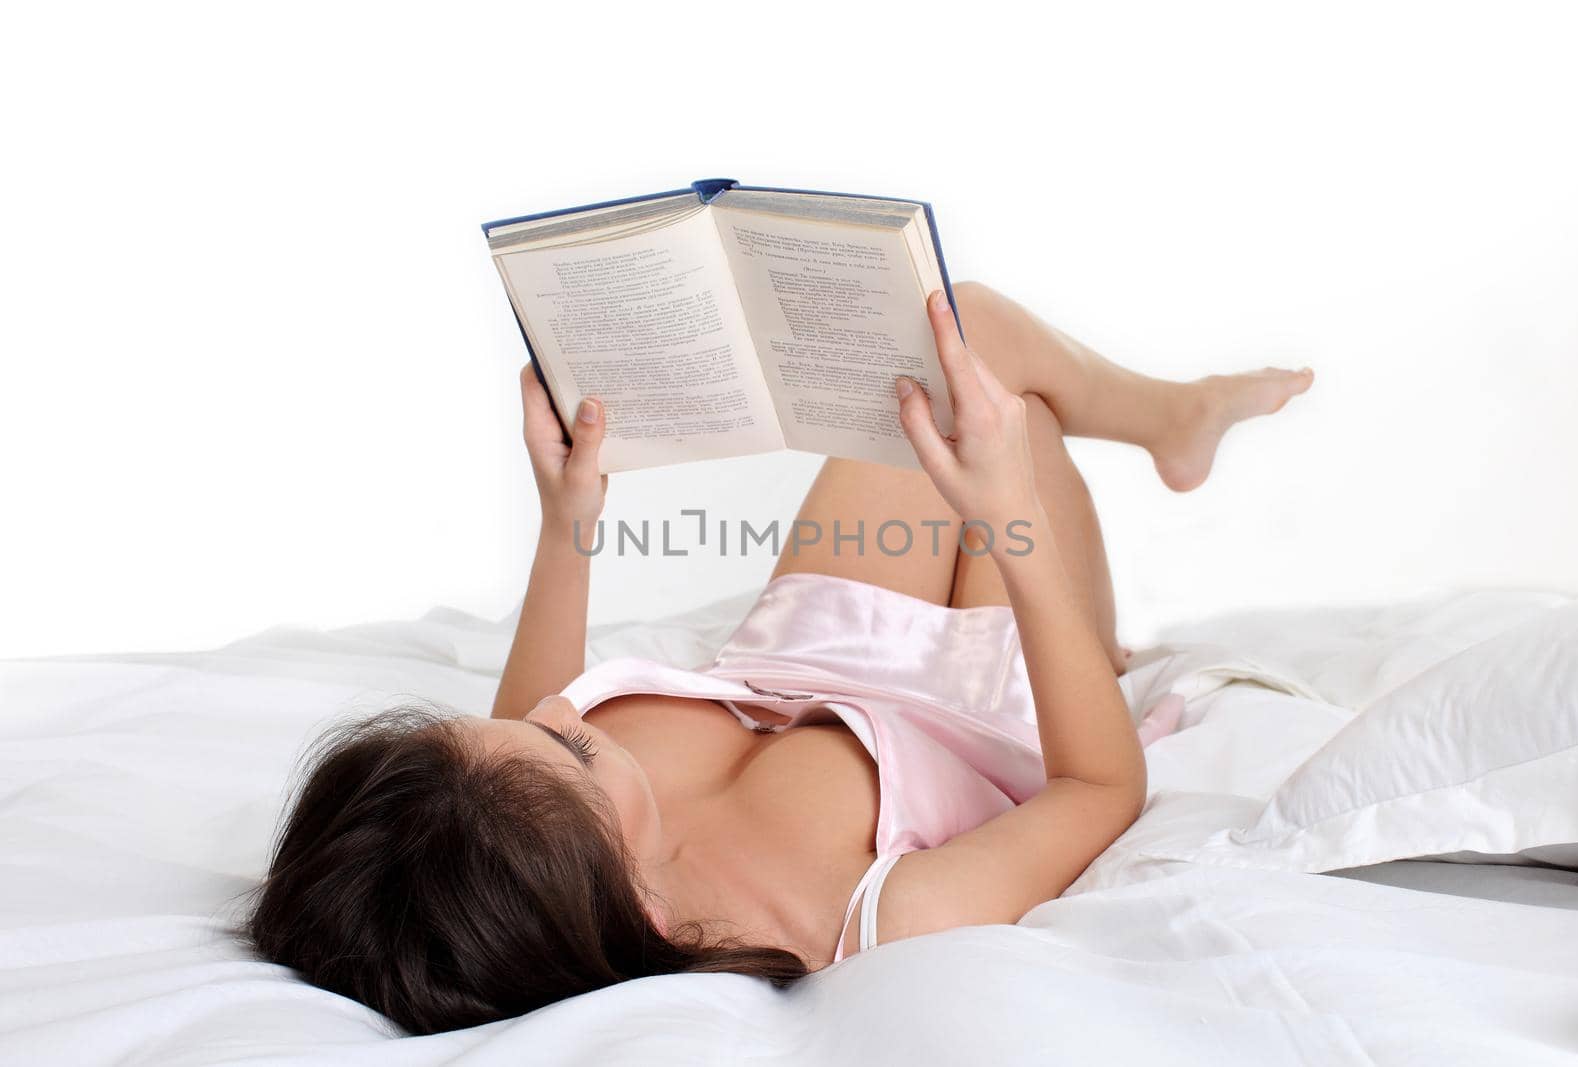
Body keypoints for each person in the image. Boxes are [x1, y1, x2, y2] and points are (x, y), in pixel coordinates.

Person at [244, 282, 1313, 1035]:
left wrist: (567, 517)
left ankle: (1171, 418)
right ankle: (1154, 447)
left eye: (520, 728)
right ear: (642, 910)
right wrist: (1008, 522)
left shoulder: (536, 824)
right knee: (1014, 427)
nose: (558, 709)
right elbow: (1100, 783)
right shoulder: (865, 913)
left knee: (947, 337)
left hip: (820, 643)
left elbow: (527, 741)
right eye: (572, 751)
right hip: (1008, 695)